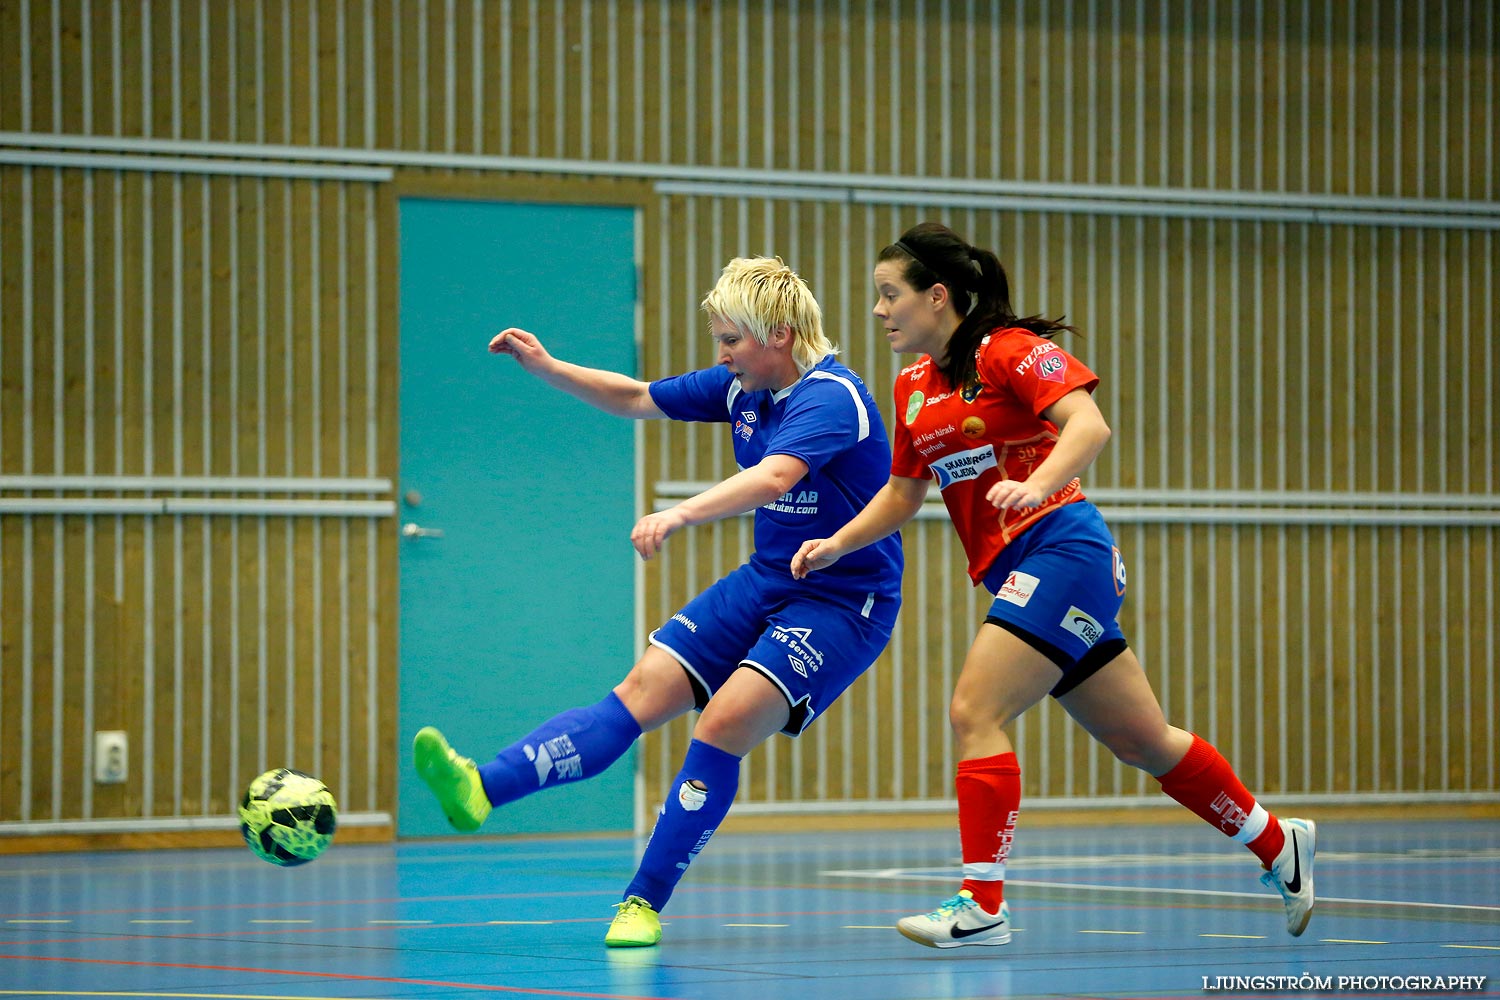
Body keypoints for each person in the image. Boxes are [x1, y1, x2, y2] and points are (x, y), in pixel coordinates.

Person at [791, 222, 1315, 949]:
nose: (878, 311)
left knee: (974, 709)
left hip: (1063, 550)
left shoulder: (1007, 351)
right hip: (1023, 572)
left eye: (890, 296)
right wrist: (836, 545)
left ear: (937, 297)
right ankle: (1277, 842)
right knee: (1144, 741)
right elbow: (904, 494)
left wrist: (1035, 485)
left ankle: (982, 905)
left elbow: (1089, 426)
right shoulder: (912, 388)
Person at [412, 255, 903, 948]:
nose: (721, 353)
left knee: (723, 721)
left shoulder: (832, 397)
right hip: (768, 579)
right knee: (641, 689)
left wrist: (678, 514)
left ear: (781, 335)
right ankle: (480, 789)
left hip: (843, 600)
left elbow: (774, 477)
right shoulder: (742, 388)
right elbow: (635, 397)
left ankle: (642, 902)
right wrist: (549, 367)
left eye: (731, 339)